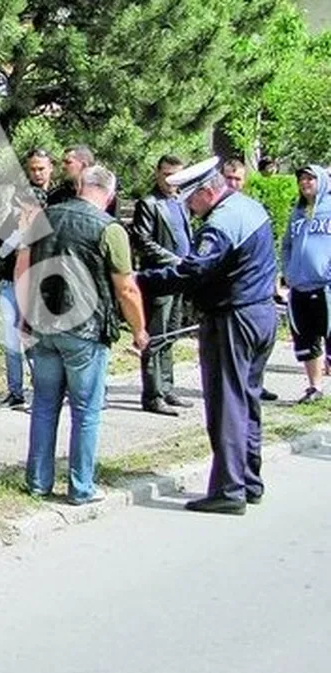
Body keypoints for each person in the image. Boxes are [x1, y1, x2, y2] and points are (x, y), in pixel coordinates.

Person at [136, 156, 279, 515]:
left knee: (227, 402)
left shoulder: (220, 225)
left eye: (190, 200)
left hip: (233, 318)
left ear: (205, 192)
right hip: (260, 314)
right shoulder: (248, 207)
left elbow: (192, 272)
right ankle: (249, 480)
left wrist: (140, 280)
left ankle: (229, 489)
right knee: (248, 399)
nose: (189, 209)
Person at [16, 165, 147, 504]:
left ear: (79, 186)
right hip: (84, 332)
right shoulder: (110, 229)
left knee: (44, 406)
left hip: (43, 324)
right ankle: (81, 487)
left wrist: (23, 317)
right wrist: (140, 330)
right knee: (86, 411)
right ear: (110, 193)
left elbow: (24, 268)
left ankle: (38, 482)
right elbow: (126, 289)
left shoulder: (44, 217)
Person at [0, 148, 54, 408]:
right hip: (10, 282)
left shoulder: (57, 202)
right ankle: (15, 391)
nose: (36, 173)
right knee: (12, 339)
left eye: (41, 168)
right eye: (32, 168)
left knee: (35, 339)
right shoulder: (16, 206)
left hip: (38, 284)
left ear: (50, 168)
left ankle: (42, 392)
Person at [130, 155, 195, 416]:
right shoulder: (149, 203)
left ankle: (167, 387)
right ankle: (152, 394)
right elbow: (143, 241)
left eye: (176, 175)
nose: (171, 180)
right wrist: (175, 260)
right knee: (155, 338)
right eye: (166, 174)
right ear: (157, 173)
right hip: (159, 279)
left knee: (171, 335)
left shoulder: (180, 201)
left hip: (178, 279)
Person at [221, 159, 281, 400]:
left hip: (256, 292)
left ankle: (255, 384)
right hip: (234, 296)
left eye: (237, 179)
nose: (233, 183)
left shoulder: (251, 208)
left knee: (259, 347)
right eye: (229, 178)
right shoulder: (216, 210)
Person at [280, 164, 331, 404]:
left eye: (310, 178)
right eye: (302, 179)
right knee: (305, 338)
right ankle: (315, 387)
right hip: (299, 286)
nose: (305, 183)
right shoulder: (297, 212)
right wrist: (288, 270)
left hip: (326, 286)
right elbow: (287, 244)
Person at [47, 145, 119, 217]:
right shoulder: (57, 194)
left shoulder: (104, 195)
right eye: (63, 162)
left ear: (84, 165)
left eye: (68, 162)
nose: (63, 166)